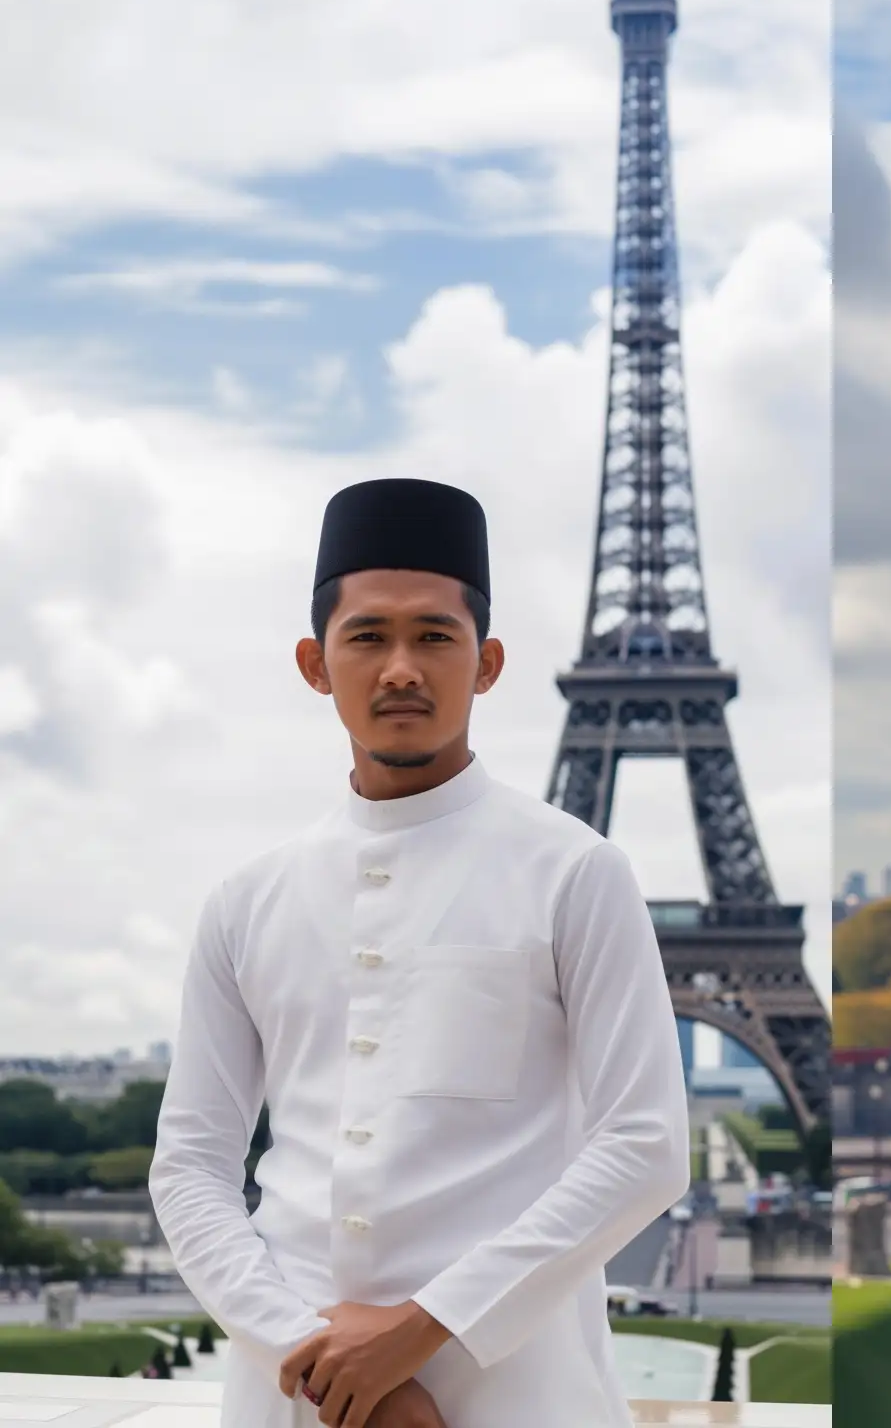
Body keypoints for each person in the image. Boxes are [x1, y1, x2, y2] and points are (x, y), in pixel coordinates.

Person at [149, 477, 688, 1428]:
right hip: (291, 1396)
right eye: (369, 637)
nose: (402, 666)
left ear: (487, 664)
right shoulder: (245, 901)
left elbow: (647, 1148)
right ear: (317, 664)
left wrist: (423, 1328)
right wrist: (308, 1352)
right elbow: (190, 1163)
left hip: (515, 1391)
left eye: (435, 636)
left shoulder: (577, 873)